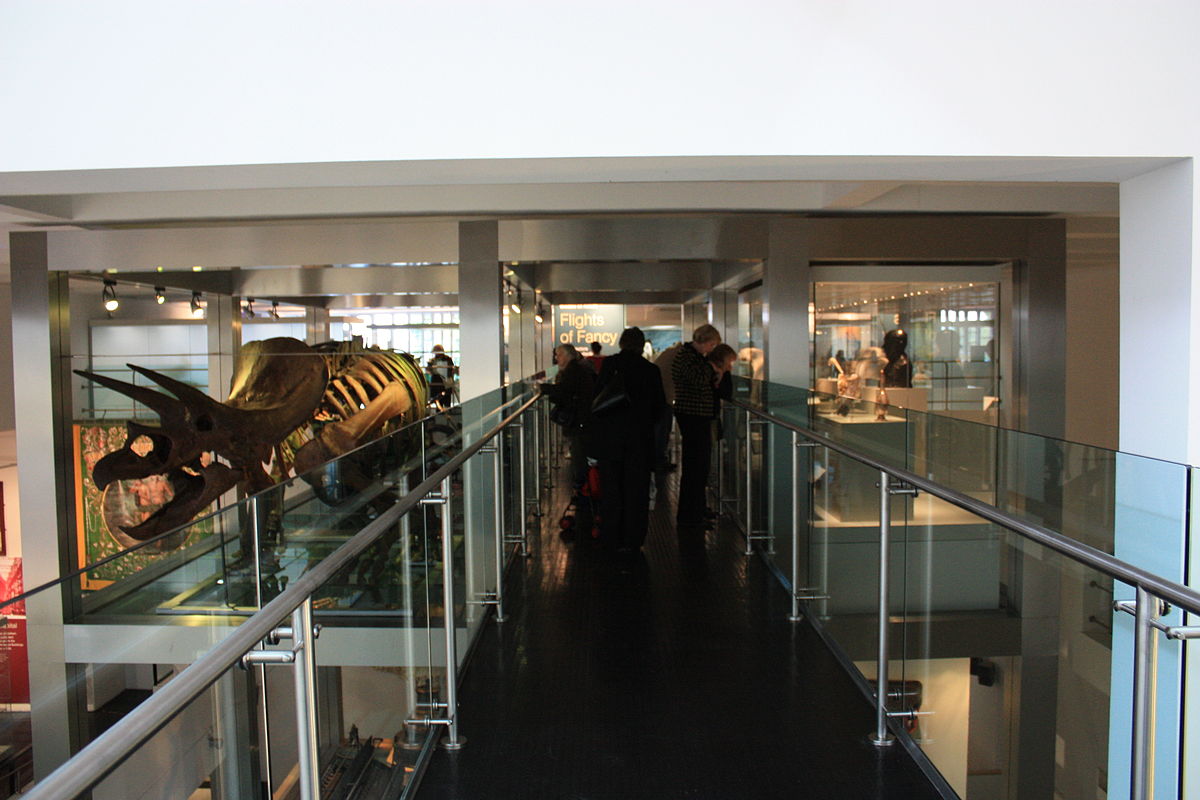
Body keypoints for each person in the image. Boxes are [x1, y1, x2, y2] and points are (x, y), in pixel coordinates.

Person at [588, 327, 665, 552]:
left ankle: (611, 537)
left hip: (610, 441)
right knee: (637, 492)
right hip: (639, 442)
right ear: (642, 345)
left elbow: (597, 401)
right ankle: (633, 540)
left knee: (612, 490)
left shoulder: (610, 366)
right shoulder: (651, 370)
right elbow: (659, 408)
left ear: (621, 343)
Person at [671, 324, 722, 527]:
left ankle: (696, 509)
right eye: (711, 344)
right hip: (693, 416)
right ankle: (690, 515)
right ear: (702, 340)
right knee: (696, 466)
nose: (711, 349)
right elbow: (700, 380)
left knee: (698, 466)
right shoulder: (687, 358)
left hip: (694, 415)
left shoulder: (690, 357)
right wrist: (711, 368)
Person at [541, 344, 595, 493]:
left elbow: (564, 392)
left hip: (580, 421)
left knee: (580, 456)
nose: (556, 358)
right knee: (580, 454)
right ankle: (583, 488)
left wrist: (542, 388)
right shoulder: (578, 368)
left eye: (558, 355)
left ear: (566, 356)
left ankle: (582, 490)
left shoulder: (573, 371)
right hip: (583, 420)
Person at [652, 341, 683, 472]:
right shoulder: (679, 356)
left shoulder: (669, 353)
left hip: (660, 397)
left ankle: (658, 460)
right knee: (662, 431)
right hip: (664, 398)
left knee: (661, 431)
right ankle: (658, 461)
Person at [426, 345, 457, 409]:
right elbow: (428, 370)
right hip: (437, 382)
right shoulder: (432, 360)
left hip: (446, 382)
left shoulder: (448, 359)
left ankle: (447, 411)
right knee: (438, 402)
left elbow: (451, 369)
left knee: (447, 400)